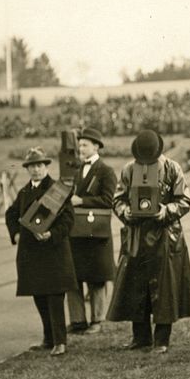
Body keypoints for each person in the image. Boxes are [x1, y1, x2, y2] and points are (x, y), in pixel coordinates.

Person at [107, 130, 190, 353]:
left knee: (164, 287)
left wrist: (166, 210)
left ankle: (162, 339)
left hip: (165, 235)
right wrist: (126, 211)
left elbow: (184, 200)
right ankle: (141, 337)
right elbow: (117, 199)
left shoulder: (172, 168)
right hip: (137, 235)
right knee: (136, 286)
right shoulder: (129, 169)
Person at [5, 147, 78, 356]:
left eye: (39, 165)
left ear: (46, 166)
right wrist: (16, 233)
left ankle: (60, 341)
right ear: (27, 169)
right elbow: (10, 214)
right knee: (39, 296)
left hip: (53, 252)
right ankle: (48, 339)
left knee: (55, 297)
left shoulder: (57, 190)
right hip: (31, 254)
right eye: (31, 166)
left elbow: (68, 221)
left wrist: (52, 234)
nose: (35, 170)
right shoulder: (24, 191)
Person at [66, 127, 117, 335]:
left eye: (85, 145)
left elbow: (108, 200)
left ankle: (97, 320)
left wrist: (82, 201)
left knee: (96, 278)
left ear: (96, 146)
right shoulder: (78, 170)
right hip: (77, 232)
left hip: (96, 233)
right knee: (74, 277)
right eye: (79, 145)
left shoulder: (106, 171)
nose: (81, 148)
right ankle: (78, 321)